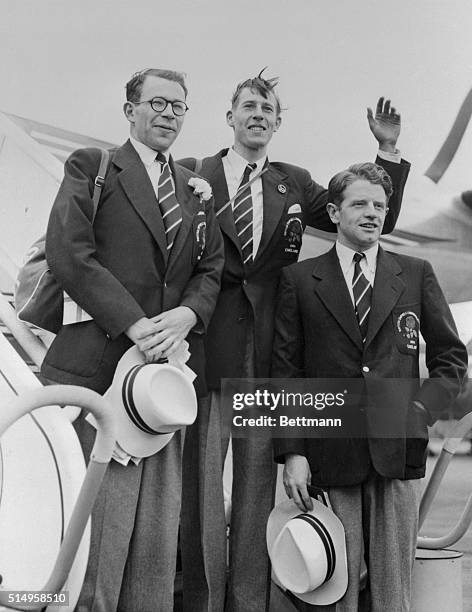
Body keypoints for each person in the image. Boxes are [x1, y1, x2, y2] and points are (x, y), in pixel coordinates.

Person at [178, 71, 411, 612]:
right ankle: (205, 601)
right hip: (208, 349)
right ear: (231, 116)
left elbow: (369, 212)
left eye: (269, 109)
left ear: (279, 123)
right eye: (249, 106)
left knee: (262, 493)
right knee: (204, 496)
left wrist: (386, 150)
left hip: (267, 356)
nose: (258, 114)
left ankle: (249, 601)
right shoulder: (194, 173)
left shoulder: (296, 182)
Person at [41, 68, 224, 612]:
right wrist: (134, 322)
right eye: (159, 103)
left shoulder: (195, 191)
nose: (169, 114)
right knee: (94, 546)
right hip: (99, 377)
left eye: (179, 106)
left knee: (153, 545)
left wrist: (190, 315)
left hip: (161, 389)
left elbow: (209, 268)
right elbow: (69, 252)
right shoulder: (92, 167)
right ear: (130, 110)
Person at [271, 162, 468, 611]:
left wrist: (422, 411)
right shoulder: (300, 281)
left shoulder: (416, 273)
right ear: (335, 213)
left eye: (380, 205)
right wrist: (294, 452)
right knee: (334, 583)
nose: (372, 213)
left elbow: (450, 357)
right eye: (359, 203)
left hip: (397, 451)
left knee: (392, 589)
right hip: (329, 452)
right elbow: (286, 372)